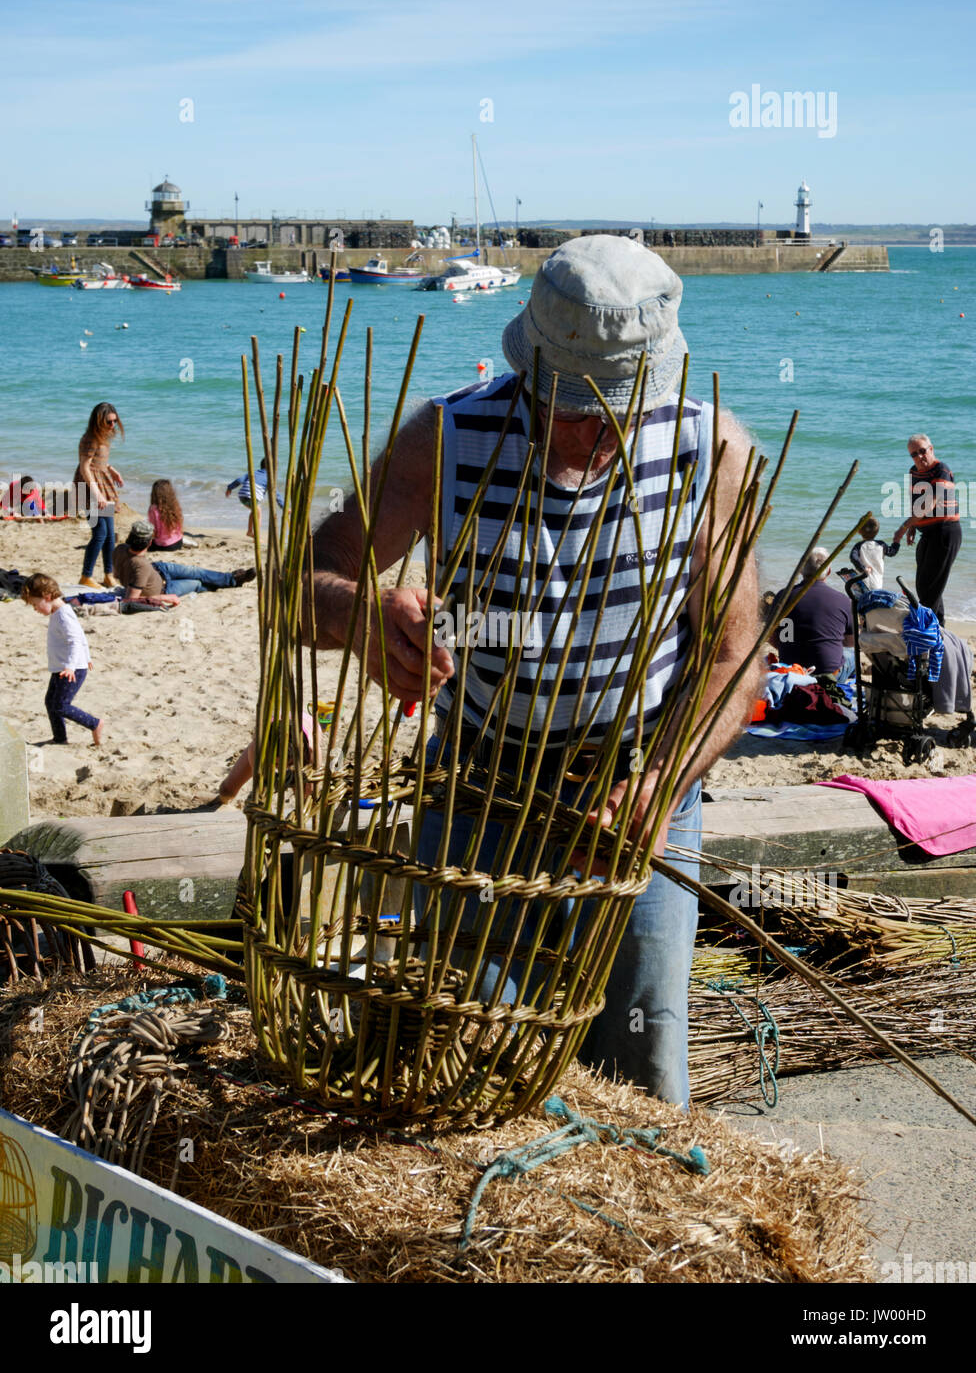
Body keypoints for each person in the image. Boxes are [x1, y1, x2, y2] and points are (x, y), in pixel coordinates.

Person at [309, 234, 759, 1107]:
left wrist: (663, 781)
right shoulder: (448, 437)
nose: (591, 429)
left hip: (636, 797)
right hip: (478, 792)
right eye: (571, 401)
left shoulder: (714, 450)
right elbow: (297, 586)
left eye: (612, 406)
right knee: (466, 1065)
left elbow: (737, 655)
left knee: (643, 1074)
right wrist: (363, 618)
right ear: (531, 359)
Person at [21, 573, 104, 745]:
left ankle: (94, 723)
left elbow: (75, 640)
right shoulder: (59, 612)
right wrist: (86, 656)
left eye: (36, 605)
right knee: (50, 702)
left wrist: (71, 667)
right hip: (63, 667)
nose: (35, 609)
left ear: (47, 597)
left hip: (71, 669)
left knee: (61, 705)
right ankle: (60, 738)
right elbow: (80, 636)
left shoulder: (63, 615)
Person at [893, 433, 961, 625]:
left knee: (930, 589)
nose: (919, 457)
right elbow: (916, 503)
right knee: (925, 587)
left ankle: (926, 635)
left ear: (931, 449)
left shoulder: (941, 470)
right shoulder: (913, 472)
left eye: (922, 451)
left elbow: (929, 505)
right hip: (928, 533)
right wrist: (914, 525)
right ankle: (939, 631)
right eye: (914, 454)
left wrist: (903, 527)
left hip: (946, 532)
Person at [113, 519, 256, 598]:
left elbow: (116, 574)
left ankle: (232, 578)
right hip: (164, 589)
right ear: (149, 542)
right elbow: (131, 599)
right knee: (196, 583)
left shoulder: (120, 549)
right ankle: (233, 581)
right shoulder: (140, 564)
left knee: (195, 571)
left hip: (156, 570)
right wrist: (165, 598)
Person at [773, 547, 855, 682]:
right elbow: (850, 642)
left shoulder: (783, 596)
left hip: (790, 672)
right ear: (828, 571)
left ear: (800, 570)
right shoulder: (843, 600)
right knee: (851, 654)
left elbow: (773, 638)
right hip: (827, 676)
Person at [74, 402, 124, 588]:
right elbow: (84, 467)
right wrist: (97, 495)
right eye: (109, 422)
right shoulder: (90, 439)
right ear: (99, 421)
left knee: (110, 534)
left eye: (115, 421)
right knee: (100, 533)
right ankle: (86, 576)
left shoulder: (102, 437)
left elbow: (97, 462)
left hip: (103, 486)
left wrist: (111, 469)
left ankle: (108, 575)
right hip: (90, 488)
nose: (113, 425)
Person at [225, 457, 284, 538]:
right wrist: (284, 507)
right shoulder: (269, 478)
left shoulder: (252, 473)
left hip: (242, 495)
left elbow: (239, 480)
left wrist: (230, 488)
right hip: (251, 496)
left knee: (255, 511)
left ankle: (249, 531)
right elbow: (276, 494)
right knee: (258, 512)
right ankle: (257, 537)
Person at [849, 514, 899, 593]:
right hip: (877, 583)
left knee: (859, 602)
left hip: (861, 583)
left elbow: (853, 557)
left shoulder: (859, 546)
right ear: (877, 531)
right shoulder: (881, 545)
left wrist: (863, 568)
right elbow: (892, 552)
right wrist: (896, 542)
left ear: (859, 531)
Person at [147, 479, 184, 551]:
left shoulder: (153, 509)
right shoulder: (174, 505)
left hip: (164, 546)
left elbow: (153, 531)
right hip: (178, 542)